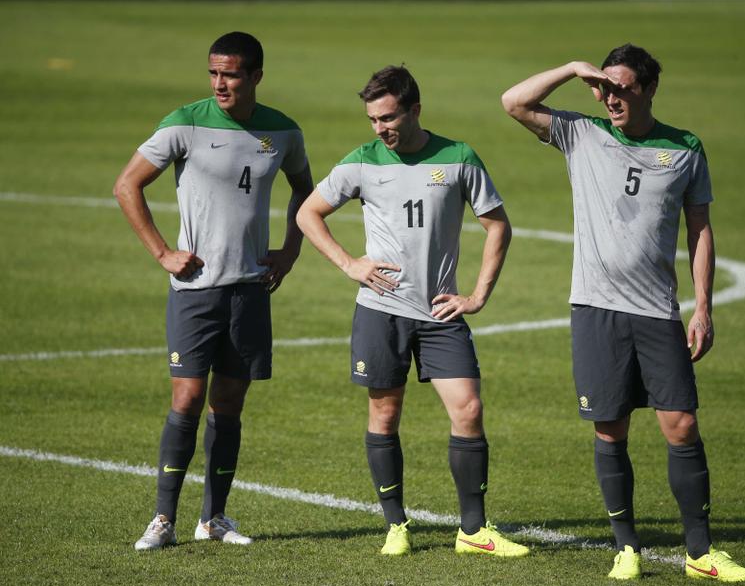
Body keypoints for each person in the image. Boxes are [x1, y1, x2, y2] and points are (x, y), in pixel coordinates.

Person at [501, 44, 745, 581]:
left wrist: (703, 306)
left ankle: (700, 553)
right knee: (610, 429)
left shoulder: (685, 149)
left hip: (657, 311)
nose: (611, 97)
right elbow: (514, 102)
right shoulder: (582, 134)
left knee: (681, 424)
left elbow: (700, 229)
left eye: (623, 88)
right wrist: (573, 69)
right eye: (605, 87)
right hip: (595, 309)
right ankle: (627, 547)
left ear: (649, 89)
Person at [296, 65, 528, 557]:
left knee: (469, 410)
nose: (381, 129)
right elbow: (307, 213)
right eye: (373, 120)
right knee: (385, 413)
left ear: (414, 109)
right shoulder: (361, 162)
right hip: (381, 310)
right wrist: (348, 263)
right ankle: (396, 524)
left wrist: (478, 296)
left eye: (388, 117)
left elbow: (498, 227)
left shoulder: (459, 157)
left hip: (441, 313)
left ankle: (473, 530)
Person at [114, 31, 313, 550]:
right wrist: (162, 252)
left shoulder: (283, 131)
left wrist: (290, 251)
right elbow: (126, 184)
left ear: (255, 77)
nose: (219, 83)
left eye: (230, 74)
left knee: (229, 406)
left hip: (250, 290)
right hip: (195, 289)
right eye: (213, 73)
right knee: (187, 397)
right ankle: (163, 519)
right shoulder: (186, 122)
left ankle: (214, 518)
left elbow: (305, 193)